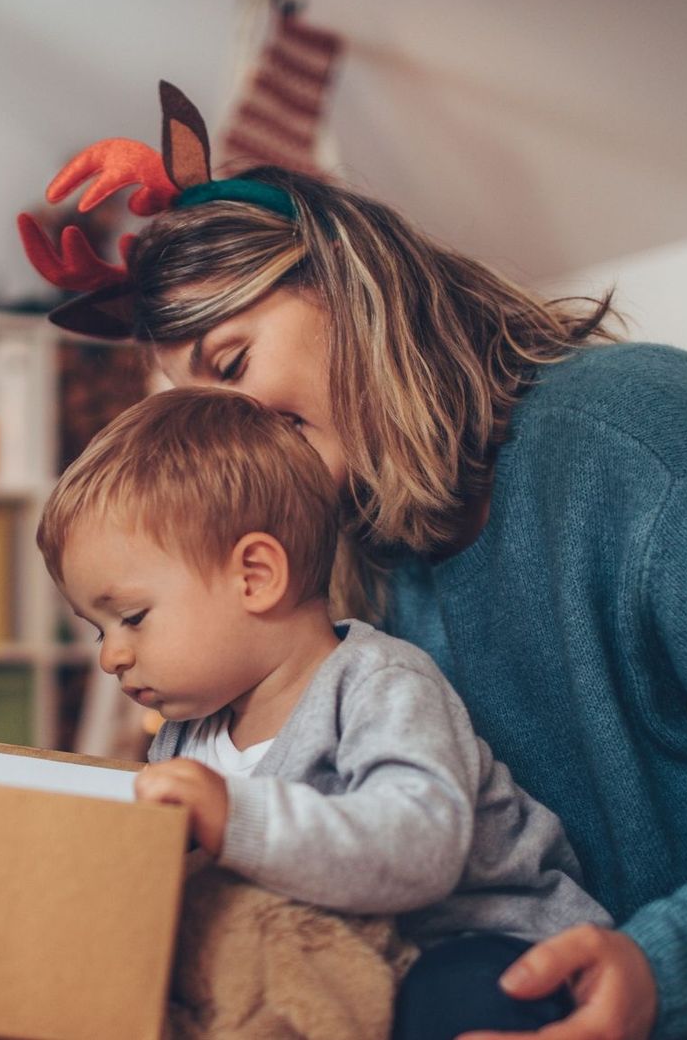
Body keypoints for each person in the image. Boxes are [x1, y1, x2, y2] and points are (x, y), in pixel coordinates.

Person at [19, 86, 687, 1038]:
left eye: (233, 361)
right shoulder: (359, 549)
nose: (230, 432)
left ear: (349, 285)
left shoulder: (649, 435)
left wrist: (667, 969)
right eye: (190, 408)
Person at [36, 385, 614, 1038]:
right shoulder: (182, 740)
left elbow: (422, 847)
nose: (111, 656)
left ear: (255, 576)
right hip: (322, 965)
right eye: (97, 629)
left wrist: (236, 817)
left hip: (478, 941)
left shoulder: (379, 683)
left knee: (456, 1000)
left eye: (132, 617)